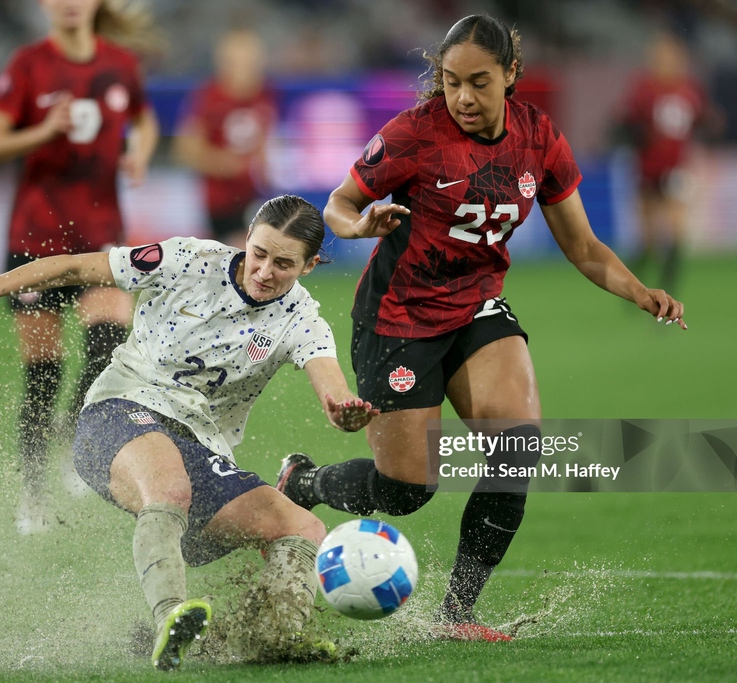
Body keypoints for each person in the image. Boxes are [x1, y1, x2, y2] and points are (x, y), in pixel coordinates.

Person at [275, 14, 687, 642]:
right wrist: (356, 227)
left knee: (517, 450)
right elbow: (340, 202)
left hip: (476, 307)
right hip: (399, 319)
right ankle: (304, 481)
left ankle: (458, 613)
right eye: (451, 82)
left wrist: (641, 291)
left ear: (510, 74)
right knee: (407, 490)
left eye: (478, 82)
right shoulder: (413, 134)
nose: (463, 97)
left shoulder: (539, 137)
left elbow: (583, 246)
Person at [0, 195, 378, 670]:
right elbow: (72, 268)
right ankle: (170, 617)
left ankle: (271, 637)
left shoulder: (302, 320)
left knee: (304, 527)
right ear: (248, 238)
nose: (264, 271)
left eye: (283, 264)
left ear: (309, 266)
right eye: (259, 253)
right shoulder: (187, 260)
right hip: (118, 413)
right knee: (169, 487)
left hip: (200, 448)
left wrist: (341, 409)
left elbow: (331, 383)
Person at [0, 0, 159, 533]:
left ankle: (76, 440)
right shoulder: (29, 65)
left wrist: (140, 152)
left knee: (110, 344)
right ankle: (32, 495)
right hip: (35, 241)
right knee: (43, 374)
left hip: (100, 238)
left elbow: (144, 120)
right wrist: (42, 130)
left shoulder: (120, 64)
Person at [615, 30, 718, 295]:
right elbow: (627, 122)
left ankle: (669, 283)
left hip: (676, 169)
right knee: (648, 237)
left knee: (676, 225)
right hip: (647, 169)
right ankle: (635, 284)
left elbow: (703, 119)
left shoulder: (689, 90)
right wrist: (633, 135)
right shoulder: (645, 89)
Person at [172, 27, 277, 247]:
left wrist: (266, 166)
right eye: (238, 63)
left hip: (256, 194)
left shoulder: (265, 94)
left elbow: (265, 139)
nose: (245, 71)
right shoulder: (208, 97)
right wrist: (221, 163)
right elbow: (184, 148)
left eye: (250, 63)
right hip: (220, 201)